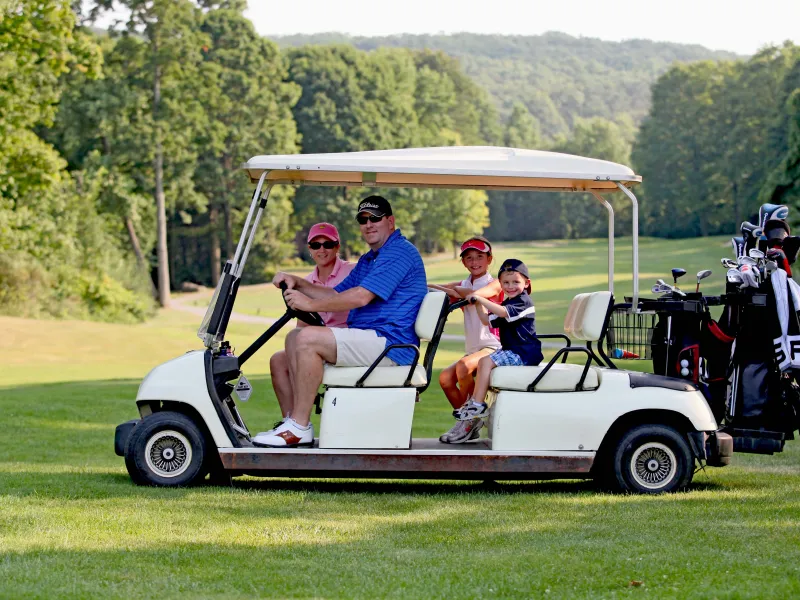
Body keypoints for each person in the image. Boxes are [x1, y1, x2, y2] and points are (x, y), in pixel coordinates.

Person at [252, 195, 427, 448]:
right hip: (373, 339)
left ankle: (299, 426)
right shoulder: (371, 259)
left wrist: (309, 304)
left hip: (391, 344)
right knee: (293, 338)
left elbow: (361, 297)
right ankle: (294, 423)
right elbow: (335, 293)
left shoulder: (399, 252)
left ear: (390, 221)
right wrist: (298, 281)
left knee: (306, 338)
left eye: (375, 218)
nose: (368, 224)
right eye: (363, 219)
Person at [264, 222, 354, 437]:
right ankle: (291, 421)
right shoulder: (305, 282)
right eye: (316, 245)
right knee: (278, 359)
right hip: (318, 345)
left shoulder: (353, 271)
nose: (322, 249)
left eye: (328, 244)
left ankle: (299, 423)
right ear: (310, 249)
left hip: (344, 342)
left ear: (337, 246)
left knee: (298, 338)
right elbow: (302, 325)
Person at [440, 258, 543, 444]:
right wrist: (479, 304)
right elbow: (487, 321)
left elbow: (503, 313)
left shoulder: (523, 302)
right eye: (506, 282)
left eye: (516, 282)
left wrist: (479, 298)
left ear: (526, 283)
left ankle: (477, 405)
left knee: (485, 361)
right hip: (513, 350)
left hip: (524, 353)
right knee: (483, 362)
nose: (510, 286)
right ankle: (475, 406)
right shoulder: (508, 302)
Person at [428, 236, 503, 443]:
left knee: (463, 366)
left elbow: (478, 295)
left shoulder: (496, 283)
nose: (474, 262)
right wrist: (443, 289)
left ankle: (470, 419)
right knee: (445, 378)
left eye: (480, 257)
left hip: (494, 347)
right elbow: (437, 287)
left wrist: (459, 292)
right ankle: (469, 421)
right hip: (474, 349)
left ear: (489, 259)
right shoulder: (463, 284)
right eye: (469, 258)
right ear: (463, 262)